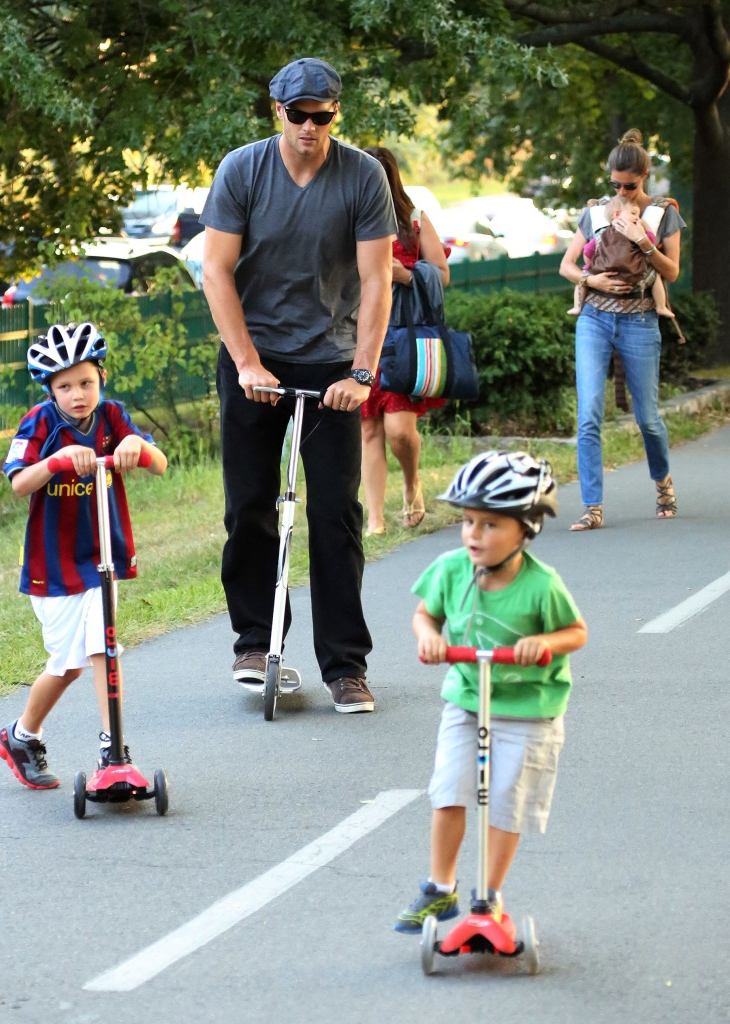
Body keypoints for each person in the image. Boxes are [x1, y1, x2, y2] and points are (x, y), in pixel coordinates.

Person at [201, 58, 396, 713]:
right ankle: (256, 644)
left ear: (335, 114)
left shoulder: (363, 177)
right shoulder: (243, 170)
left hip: (331, 365)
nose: (311, 127)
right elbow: (217, 273)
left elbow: (376, 280)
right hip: (254, 358)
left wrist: (362, 371)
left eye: (324, 116)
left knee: (336, 515)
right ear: (276, 109)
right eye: (299, 114)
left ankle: (345, 666)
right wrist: (249, 362)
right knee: (250, 507)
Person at [394, 451, 587, 933]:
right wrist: (429, 637)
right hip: (466, 699)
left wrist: (543, 642)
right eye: (468, 522)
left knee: (506, 800)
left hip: (529, 711)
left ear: (528, 528)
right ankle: (440, 889)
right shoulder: (451, 569)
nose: (474, 535)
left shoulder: (542, 585)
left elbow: (575, 632)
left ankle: (489, 896)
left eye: (491, 525)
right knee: (449, 789)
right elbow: (424, 614)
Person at [0, 322, 167, 789]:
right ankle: (21, 735)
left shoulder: (112, 417)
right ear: (50, 391)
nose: (77, 395)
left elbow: (159, 462)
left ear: (101, 378)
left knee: (102, 649)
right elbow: (17, 483)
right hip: (54, 566)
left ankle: (114, 749)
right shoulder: (41, 422)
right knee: (66, 665)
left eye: (86, 382)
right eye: (65, 387)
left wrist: (137, 445)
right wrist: (55, 462)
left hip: (100, 558)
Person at [559, 128, 685, 531]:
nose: (622, 192)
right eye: (615, 184)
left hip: (640, 318)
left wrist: (643, 242)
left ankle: (663, 484)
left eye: (628, 185)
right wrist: (589, 281)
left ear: (644, 176)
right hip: (594, 318)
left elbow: (673, 271)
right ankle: (592, 506)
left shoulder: (662, 213)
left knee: (648, 417)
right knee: (589, 414)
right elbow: (567, 264)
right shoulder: (595, 212)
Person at [360, 146, 451, 536]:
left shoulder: (412, 219)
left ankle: (412, 481)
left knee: (399, 429)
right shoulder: (347, 217)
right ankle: (376, 518)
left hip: (402, 336)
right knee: (368, 429)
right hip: (360, 334)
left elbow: (442, 274)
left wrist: (407, 274)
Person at [567, 194, 675, 320]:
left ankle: (577, 306)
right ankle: (661, 306)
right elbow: (651, 239)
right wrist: (644, 228)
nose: (637, 218)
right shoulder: (621, 232)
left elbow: (588, 250)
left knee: (583, 280)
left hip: (612, 270)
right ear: (617, 214)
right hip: (627, 270)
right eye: (634, 213)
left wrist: (590, 264)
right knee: (654, 277)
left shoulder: (605, 232)